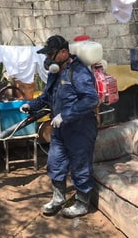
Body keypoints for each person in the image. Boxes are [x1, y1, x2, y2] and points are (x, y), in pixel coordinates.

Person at [20, 35, 99, 218]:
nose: (48, 59)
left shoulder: (78, 72)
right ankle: (58, 199)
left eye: (51, 54)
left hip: (80, 129)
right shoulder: (55, 73)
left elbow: (91, 99)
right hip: (60, 130)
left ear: (64, 52)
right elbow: (47, 97)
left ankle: (81, 203)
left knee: (80, 166)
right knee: (55, 163)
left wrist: (66, 114)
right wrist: (31, 105)